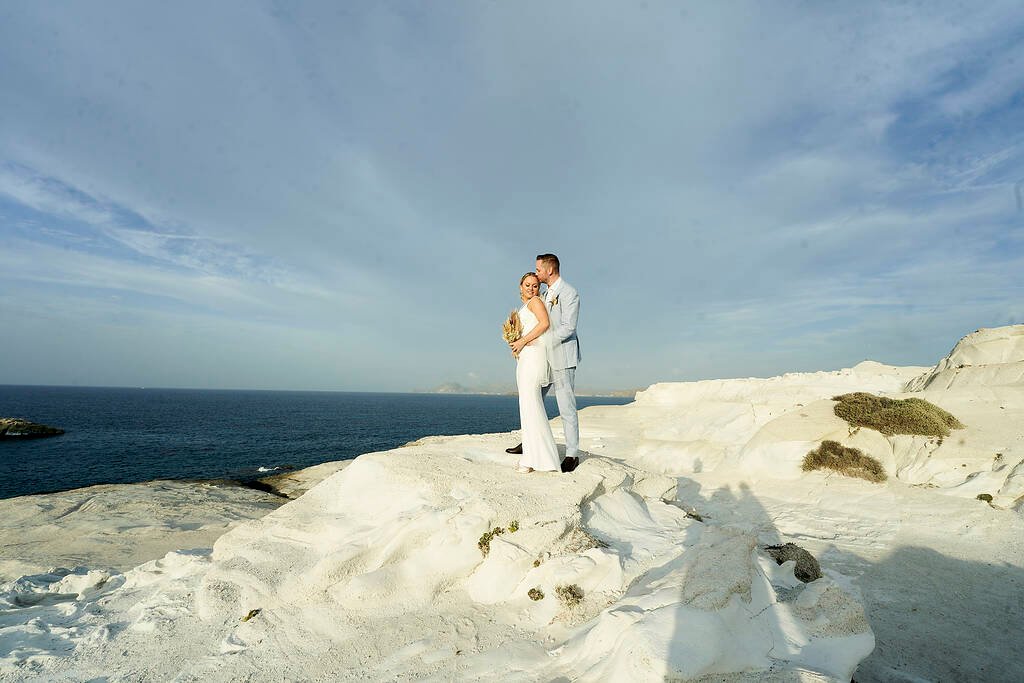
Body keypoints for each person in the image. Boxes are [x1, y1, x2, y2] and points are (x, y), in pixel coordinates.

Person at [508, 254, 581, 470]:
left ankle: (572, 454)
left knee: (566, 405)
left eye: (538, 270)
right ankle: (531, 442)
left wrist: (541, 341)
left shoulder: (569, 292)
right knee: (533, 399)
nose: (537, 274)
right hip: (542, 357)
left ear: (549, 270)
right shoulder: (546, 292)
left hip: (562, 355)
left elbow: (568, 327)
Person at [508, 272, 561, 473]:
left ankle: (540, 460)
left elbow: (545, 324)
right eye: (528, 285)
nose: (532, 288)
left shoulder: (536, 302)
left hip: (534, 357)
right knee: (528, 406)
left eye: (535, 285)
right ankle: (533, 457)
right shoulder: (525, 305)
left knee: (532, 405)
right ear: (520, 286)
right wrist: (518, 343)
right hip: (526, 356)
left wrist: (522, 341)